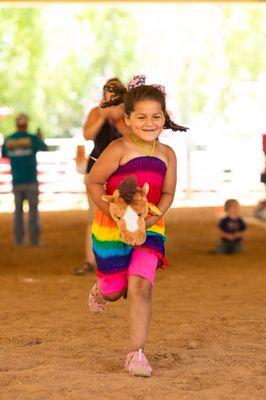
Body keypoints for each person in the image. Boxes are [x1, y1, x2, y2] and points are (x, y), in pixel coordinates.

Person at [87, 75, 188, 377]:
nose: (149, 122)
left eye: (156, 116)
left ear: (164, 118)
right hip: (111, 227)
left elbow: (167, 193)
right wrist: (113, 211)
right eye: (141, 116)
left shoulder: (167, 154)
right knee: (116, 288)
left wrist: (152, 220)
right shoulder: (118, 149)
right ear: (128, 119)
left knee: (141, 285)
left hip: (149, 227)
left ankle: (136, 354)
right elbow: (93, 181)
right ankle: (102, 290)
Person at [74, 78, 130, 275]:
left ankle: (121, 260)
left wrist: (117, 117)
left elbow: (131, 135)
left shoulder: (128, 113)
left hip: (122, 170)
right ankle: (90, 261)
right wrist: (102, 117)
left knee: (123, 214)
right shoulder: (95, 111)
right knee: (93, 217)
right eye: (108, 91)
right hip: (96, 168)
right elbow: (88, 135)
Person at [1, 113, 47, 246]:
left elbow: (4, 154)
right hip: (31, 180)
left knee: (18, 211)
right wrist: (40, 136)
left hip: (16, 181)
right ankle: (34, 240)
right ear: (26, 124)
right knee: (33, 211)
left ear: (16, 124)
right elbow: (44, 147)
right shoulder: (32, 138)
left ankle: (18, 240)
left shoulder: (9, 139)